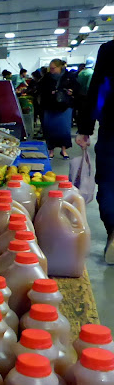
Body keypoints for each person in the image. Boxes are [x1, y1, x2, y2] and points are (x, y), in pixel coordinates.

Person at [76, 41, 114, 263]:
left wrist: (84, 128)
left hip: (112, 128)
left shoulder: (109, 49)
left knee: (109, 182)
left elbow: (97, 88)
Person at [39, 58, 78, 159]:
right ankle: (50, 150)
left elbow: (77, 87)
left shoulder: (69, 76)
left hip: (65, 106)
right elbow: (40, 89)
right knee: (50, 129)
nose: (51, 70)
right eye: (50, 68)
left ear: (60, 67)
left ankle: (63, 150)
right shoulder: (46, 77)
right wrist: (49, 92)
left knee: (64, 129)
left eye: (53, 68)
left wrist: (71, 91)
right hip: (50, 106)